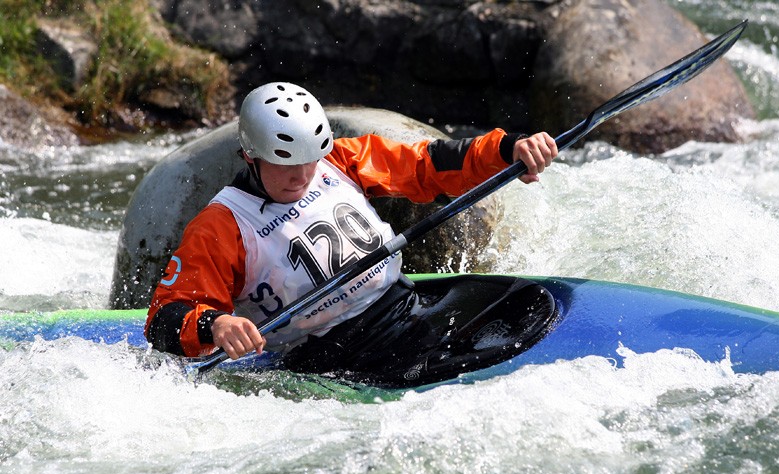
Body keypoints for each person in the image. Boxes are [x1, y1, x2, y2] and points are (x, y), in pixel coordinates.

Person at [145, 81, 557, 361]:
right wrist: (216, 324)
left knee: (529, 304)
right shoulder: (220, 226)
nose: (303, 176)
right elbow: (164, 316)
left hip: (404, 308)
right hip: (328, 356)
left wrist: (506, 152)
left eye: (310, 161)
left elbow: (426, 164)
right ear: (250, 156)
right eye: (286, 165)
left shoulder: (339, 160)